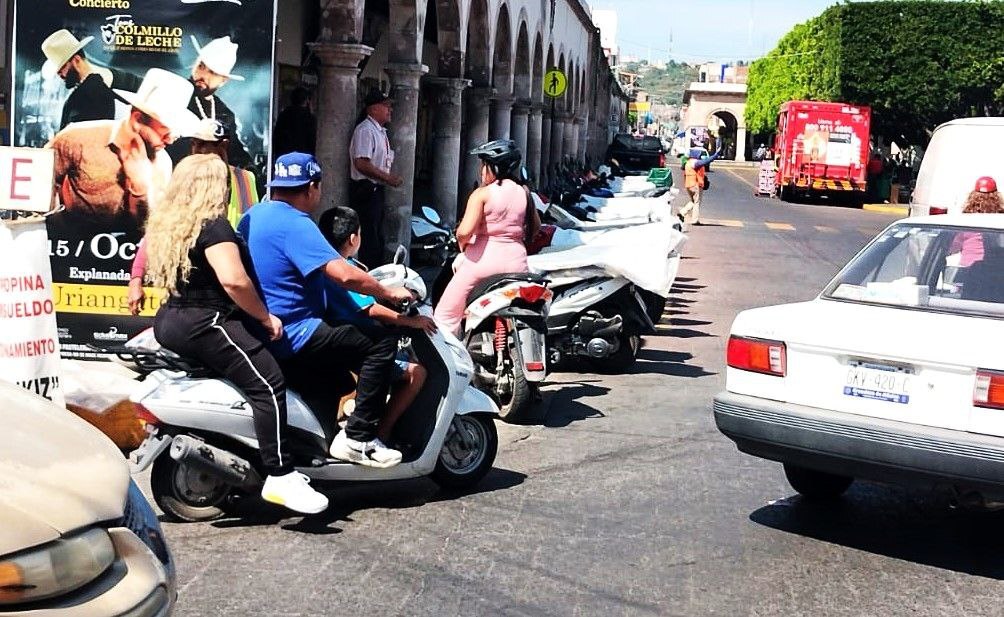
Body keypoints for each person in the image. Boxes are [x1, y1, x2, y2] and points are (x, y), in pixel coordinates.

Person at [144, 154, 328, 515]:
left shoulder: (171, 225)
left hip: (171, 319)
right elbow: (233, 280)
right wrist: (266, 316)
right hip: (207, 324)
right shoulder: (214, 227)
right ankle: (280, 474)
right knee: (268, 382)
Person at [238, 153, 414, 468]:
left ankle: (315, 444)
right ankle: (359, 438)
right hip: (295, 330)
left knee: (335, 380)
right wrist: (388, 291)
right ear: (312, 187)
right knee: (379, 343)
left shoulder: (253, 215)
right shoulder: (296, 223)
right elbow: (344, 275)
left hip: (263, 328)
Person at [318, 206, 435, 444]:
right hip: (353, 344)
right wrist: (410, 321)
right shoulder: (344, 269)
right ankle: (376, 434)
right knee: (414, 371)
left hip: (334, 338)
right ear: (353, 238)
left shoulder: (329, 262)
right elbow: (369, 308)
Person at [127, 119, 259, 315]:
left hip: (234, 278)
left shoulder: (245, 180)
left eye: (204, 144)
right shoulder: (185, 180)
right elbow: (159, 226)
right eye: (194, 143)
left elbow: (253, 230)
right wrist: (136, 279)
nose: (197, 150)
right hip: (198, 286)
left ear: (223, 145)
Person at [47, 68, 200, 219]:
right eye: (165, 131)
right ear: (137, 119)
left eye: (174, 133)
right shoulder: (76, 138)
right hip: (71, 239)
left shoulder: (163, 163)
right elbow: (38, 185)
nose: (171, 140)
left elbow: (151, 226)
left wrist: (140, 187)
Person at [434, 139, 541, 335]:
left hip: (481, 263)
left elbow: (464, 232)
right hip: (517, 262)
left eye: (483, 165)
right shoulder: (524, 192)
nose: (481, 171)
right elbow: (536, 227)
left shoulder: (482, 194)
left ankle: (448, 358)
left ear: (494, 166)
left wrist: (463, 245)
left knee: (445, 315)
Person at [167, 36, 253, 170]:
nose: (203, 75)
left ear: (223, 80)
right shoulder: (173, 92)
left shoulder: (224, 113)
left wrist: (250, 169)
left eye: (212, 72)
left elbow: (236, 153)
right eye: (201, 66)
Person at [40, 29, 142, 129]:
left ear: (76, 60)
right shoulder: (80, 94)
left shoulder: (122, 81)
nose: (59, 74)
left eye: (62, 67)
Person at [349, 90, 404, 267]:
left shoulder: (379, 131)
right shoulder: (365, 130)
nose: (390, 110)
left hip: (376, 189)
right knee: (369, 238)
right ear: (373, 109)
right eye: (386, 106)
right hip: (366, 189)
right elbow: (361, 163)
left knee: (376, 235)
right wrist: (388, 178)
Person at [678, 147, 723, 226]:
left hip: (688, 185)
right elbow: (705, 161)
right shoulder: (694, 162)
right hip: (695, 185)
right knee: (697, 202)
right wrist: (715, 155)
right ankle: (695, 220)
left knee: (693, 201)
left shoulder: (687, 163)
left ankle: (682, 212)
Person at [273, 87, 316, 157]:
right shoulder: (308, 117)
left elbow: (277, 136)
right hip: (303, 156)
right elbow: (312, 140)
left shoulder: (284, 115)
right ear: (306, 101)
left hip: (284, 155)